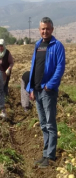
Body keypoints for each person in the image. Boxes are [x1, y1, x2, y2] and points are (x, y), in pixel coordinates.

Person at [27, 17, 66, 168]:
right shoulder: (38, 45)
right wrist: (30, 87)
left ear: (52, 29)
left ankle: (50, 156)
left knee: (50, 123)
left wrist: (50, 85)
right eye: (43, 29)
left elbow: (60, 68)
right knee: (43, 124)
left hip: (48, 91)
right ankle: (45, 155)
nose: (45, 31)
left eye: (47, 28)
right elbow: (34, 67)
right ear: (39, 30)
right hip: (37, 90)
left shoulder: (57, 46)